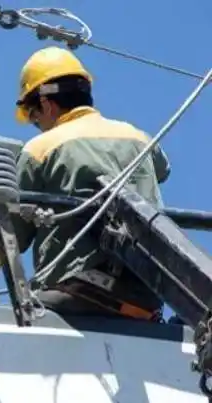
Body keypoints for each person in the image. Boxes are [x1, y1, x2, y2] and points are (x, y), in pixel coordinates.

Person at [12, 46, 171, 321]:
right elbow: (162, 170)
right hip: (147, 291)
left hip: (78, 285)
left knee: (16, 317)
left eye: (35, 117)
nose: (38, 125)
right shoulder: (138, 137)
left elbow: (13, 233)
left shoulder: (40, 148)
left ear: (46, 104)